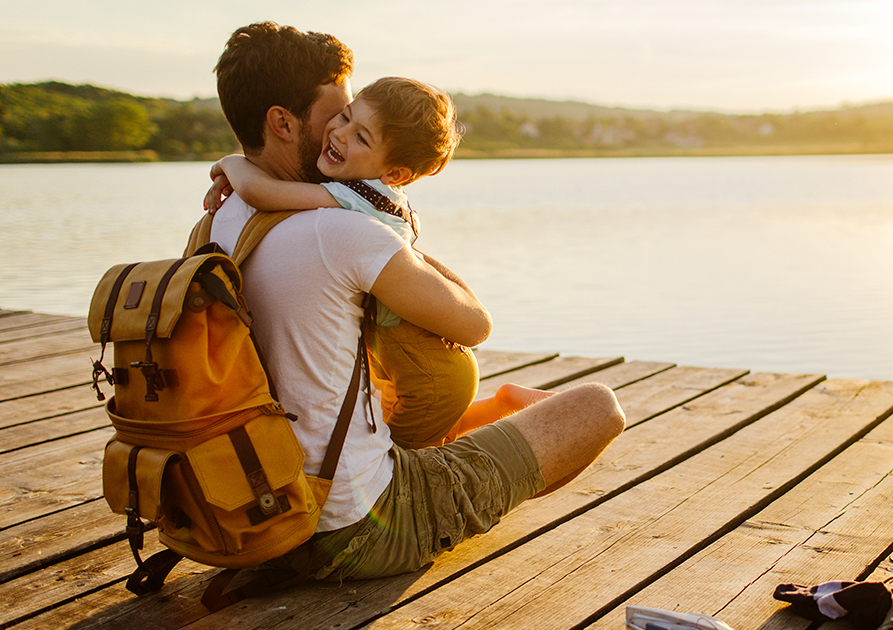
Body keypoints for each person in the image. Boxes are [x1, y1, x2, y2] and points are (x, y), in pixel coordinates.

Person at [202, 21, 625, 584]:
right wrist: (399, 237)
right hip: (354, 526)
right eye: (338, 113)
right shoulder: (341, 231)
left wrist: (235, 164)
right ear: (282, 122)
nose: (339, 128)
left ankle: (484, 428)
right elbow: (474, 324)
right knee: (597, 407)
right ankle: (476, 461)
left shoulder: (217, 221)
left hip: (256, 514)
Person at [205, 76, 550, 450]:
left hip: (421, 368)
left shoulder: (350, 197)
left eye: (361, 138)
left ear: (395, 173)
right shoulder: (383, 194)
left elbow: (261, 192)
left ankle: (517, 416)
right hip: (414, 360)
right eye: (345, 117)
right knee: (422, 439)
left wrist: (231, 162)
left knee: (400, 455)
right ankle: (505, 406)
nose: (339, 133)